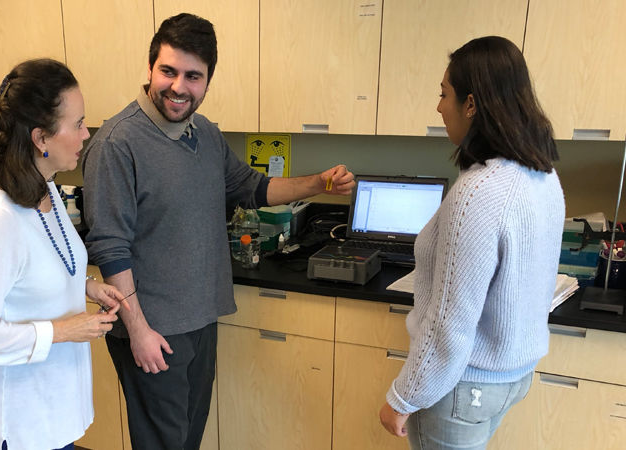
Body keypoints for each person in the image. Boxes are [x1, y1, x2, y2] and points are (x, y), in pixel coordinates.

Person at [82, 13, 355, 450]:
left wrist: (318, 183)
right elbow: (110, 246)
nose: (178, 86)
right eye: (167, 71)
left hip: (199, 318)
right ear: (150, 67)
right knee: (162, 443)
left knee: (188, 437)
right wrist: (138, 330)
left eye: (193, 76)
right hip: (152, 325)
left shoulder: (204, 135)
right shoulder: (118, 143)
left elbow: (251, 187)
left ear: (207, 81)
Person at [378, 36, 565, 448]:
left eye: (444, 94)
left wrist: (404, 396)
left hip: (463, 386)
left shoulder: (478, 191)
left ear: (472, 104)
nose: (439, 106)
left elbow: (451, 320)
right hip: (512, 377)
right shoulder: (542, 174)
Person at [0, 58, 129, 450]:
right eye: (78, 124)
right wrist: (65, 330)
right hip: (14, 420)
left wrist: (87, 287)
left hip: (49, 408)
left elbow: (34, 268)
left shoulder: (42, 188)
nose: (86, 134)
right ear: (41, 138)